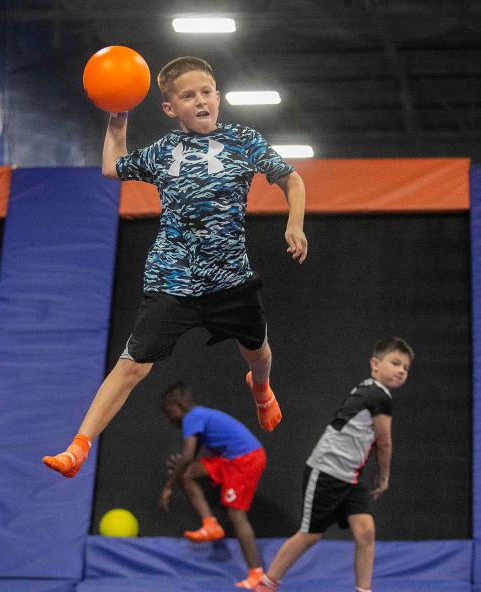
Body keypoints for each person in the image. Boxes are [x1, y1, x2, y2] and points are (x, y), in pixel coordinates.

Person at [44, 55, 306, 478]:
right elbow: (112, 167)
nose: (200, 101)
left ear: (218, 98)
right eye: (188, 96)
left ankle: (260, 390)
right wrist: (117, 116)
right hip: (173, 278)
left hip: (230, 279)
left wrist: (295, 224)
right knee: (131, 365)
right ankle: (78, 446)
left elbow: (290, 179)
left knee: (257, 350)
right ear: (170, 109)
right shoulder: (165, 151)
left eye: (206, 93)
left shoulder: (243, 140)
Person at [252, 337, 413, 592]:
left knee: (365, 531)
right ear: (375, 364)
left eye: (406, 368)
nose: (401, 370)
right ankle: (267, 583)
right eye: (395, 363)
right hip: (326, 471)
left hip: (351, 475)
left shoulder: (372, 391)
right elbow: (384, 443)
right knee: (310, 534)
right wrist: (384, 477)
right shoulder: (377, 395)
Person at [158, 383, 267, 589]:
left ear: (177, 405)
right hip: (233, 459)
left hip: (245, 460)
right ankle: (211, 525)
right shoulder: (200, 417)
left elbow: (188, 455)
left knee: (236, 516)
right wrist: (182, 468)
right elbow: (189, 462)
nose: (169, 418)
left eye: (168, 412)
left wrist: (168, 487)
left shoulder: (192, 417)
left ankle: (257, 574)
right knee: (188, 472)